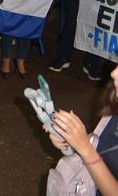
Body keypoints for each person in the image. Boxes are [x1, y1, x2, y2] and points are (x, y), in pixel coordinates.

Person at [47, 64, 118, 196]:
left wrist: (86, 149)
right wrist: (72, 142)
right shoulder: (115, 102)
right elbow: (102, 145)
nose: (114, 73)